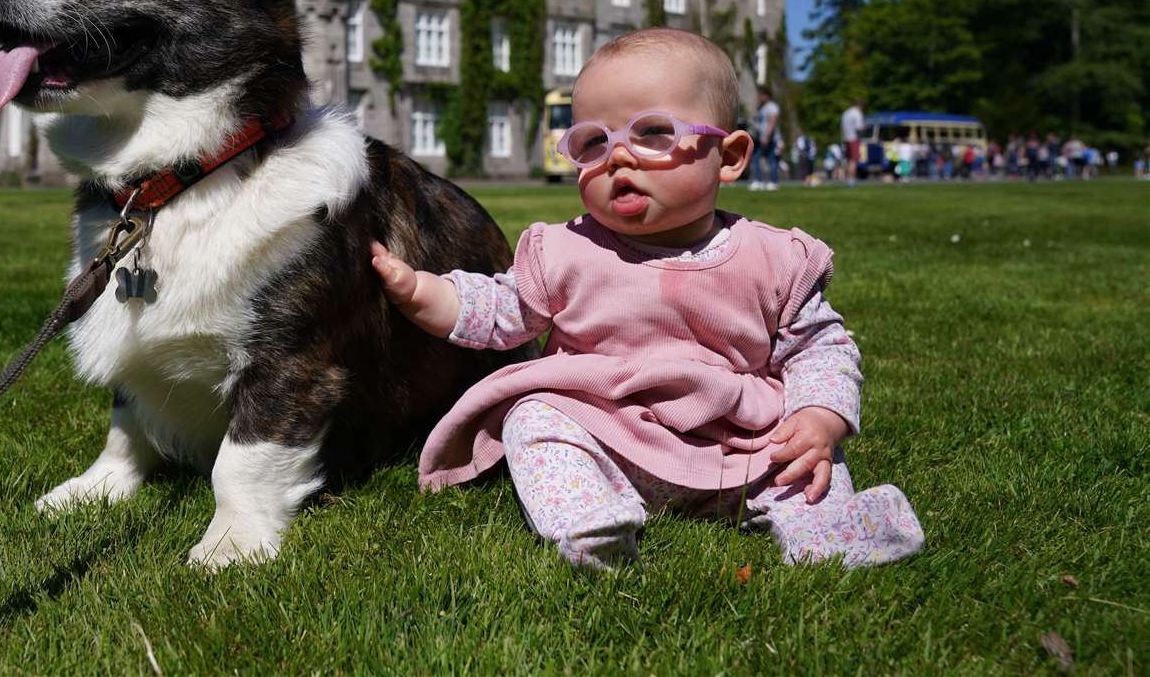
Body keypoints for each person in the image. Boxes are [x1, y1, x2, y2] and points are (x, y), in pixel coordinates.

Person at [370, 29, 922, 570]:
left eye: (652, 133)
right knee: (534, 416)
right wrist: (423, 290)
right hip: (610, 434)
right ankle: (588, 518)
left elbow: (820, 348)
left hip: (741, 445)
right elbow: (502, 309)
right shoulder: (565, 250)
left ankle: (831, 534)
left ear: (728, 156)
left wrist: (820, 416)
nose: (617, 158)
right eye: (592, 142)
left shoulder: (774, 260)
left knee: (807, 461)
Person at [748, 88, 781, 191]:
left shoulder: (772, 107)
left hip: (768, 138)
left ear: (766, 95)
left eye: (761, 95)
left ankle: (772, 182)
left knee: (770, 160)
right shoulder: (764, 107)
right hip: (761, 137)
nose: (759, 97)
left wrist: (767, 136)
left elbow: (772, 122)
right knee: (757, 159)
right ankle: (759, 181)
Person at [840, 98, 865, 186]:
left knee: (848, 160)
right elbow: (859, 128)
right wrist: (865, 127)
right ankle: (851, 180)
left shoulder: (845, 113)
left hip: (845, 138)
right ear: (860, 105)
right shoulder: (857, 113)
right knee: (854, 160)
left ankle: (847, 179)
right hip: (853, 138)